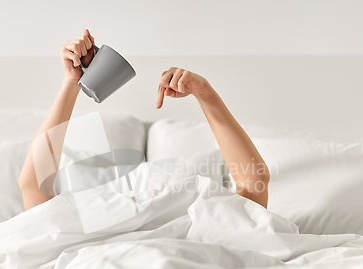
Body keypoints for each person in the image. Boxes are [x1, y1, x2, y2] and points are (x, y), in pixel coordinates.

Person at [18, 29, 270, 210]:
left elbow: (254, 186)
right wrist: (71, 83)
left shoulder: (201, 222)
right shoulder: (78, 230)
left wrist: (207, 95)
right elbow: (32, 185)